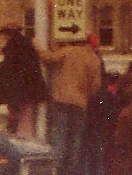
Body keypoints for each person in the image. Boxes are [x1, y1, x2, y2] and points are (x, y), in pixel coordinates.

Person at [36, 37, 103, 175]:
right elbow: (96, 86)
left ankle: (56, 170)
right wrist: (85, 95)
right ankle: (71, 171)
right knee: (75, 140)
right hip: (80, 103)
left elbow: (48, 58)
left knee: (59, 136)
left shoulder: (68, 51)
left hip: (61, 99)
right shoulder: (94, 59)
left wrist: (38, 46)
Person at [0, 23, 47, 138]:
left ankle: (23, 145)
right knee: (26, 122)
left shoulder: (12, 49)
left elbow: (5, 72)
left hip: (18, 92)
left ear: (7, 35)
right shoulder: (27, 45)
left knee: (21, 122)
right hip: (30, 90)